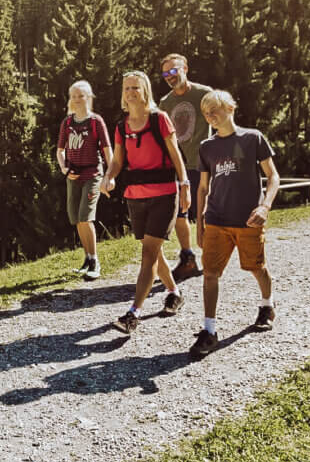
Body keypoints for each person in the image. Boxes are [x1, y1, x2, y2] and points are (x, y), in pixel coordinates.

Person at [192, 89, 281, 359]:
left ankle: (267, 305)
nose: (211, 116)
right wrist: (199, 225)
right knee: (210, 274)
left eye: (215, 110)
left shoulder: (253, 138)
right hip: (216, 219)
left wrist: (265, 206)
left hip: (248, 221)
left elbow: (273, 176)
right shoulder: (207, 147)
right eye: (206, 113)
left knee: (256, 267)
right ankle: (209, 331)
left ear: (230, 108)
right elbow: (203, 189)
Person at [100, 71, 190, 332]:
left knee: (148, 253)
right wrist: (110, 177)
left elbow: (176, 156)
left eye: (136, 88)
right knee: (155, 252)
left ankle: (133, 313)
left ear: (145, 91)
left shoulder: (159, 119)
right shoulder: (121, 126)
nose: (130, 93)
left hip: (163, 194)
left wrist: (184, 185)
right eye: (127, 88)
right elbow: (117, 160)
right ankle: (174, 291)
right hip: (135, 197)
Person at [157, 53, 212, 281]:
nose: (170, 76)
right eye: (166, 73)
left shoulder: (204, 94)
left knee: (204, 214)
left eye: (174, 71)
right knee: (180, 213)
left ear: (185, 68)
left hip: (202, 164)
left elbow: (221, 122)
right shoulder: (165, 103)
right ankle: (188, 257)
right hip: (178, 166)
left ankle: (211, 257)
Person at [56, 80, 114, 280]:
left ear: (88, 97)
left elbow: (107, 150)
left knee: (86, 216)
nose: (77, 100)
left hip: (92, 174)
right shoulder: (68, 123)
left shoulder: (95, 121)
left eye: (81, 96)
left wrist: (109, 175)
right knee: (76, 218)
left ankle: (95, 260)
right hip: (72, 175)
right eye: (74, 96)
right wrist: (64, 169)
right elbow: (60, 150)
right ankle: (87, 258)